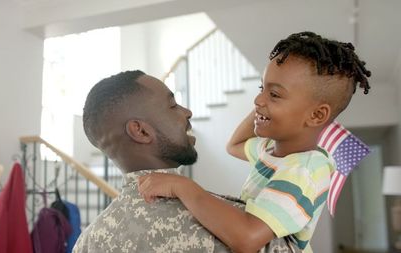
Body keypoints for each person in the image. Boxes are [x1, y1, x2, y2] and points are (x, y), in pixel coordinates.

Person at [138, 31, 372, 253]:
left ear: (316, 115)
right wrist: (266, 105)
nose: (258, 99)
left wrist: (183, 186)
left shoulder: (306, 169)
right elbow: (234, 145)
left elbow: (247, 237)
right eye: (262, 87)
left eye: (275, 94)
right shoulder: (270, 151)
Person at [73, 70, 299, 252]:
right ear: (141, 131)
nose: (187, 112)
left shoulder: (87, 244)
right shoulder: (242, 229)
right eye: (173, 105)